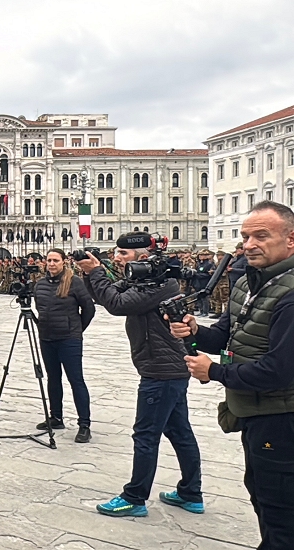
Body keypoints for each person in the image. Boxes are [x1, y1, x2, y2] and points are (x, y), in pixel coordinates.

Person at [168, 202, 294, 549]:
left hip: (282, 417)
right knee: (261, 494)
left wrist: (216, 372)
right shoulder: (247, 283)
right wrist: (193, 331)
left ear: (291, 240)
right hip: (253, 411)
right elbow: (225, 334)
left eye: (261, 236)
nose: (249, 244)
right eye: (246, 237)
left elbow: (279, 371)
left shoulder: (290, 293)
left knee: (281, 508)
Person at [76, 233, 202, 518]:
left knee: (146, 434)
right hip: (166, 367)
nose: (118, 258)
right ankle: (190, 493)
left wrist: (96, 271)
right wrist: (91, 271)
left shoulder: (160, 284)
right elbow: (107, 295)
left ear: (143, 257)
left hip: (161, 369)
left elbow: (118, 305)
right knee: (179, 430)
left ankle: (135, 497)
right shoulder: (143, 279)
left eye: (123, 253)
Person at [33, 249, 96, 443]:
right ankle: (56, 417)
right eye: (49, 260)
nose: (52, 264)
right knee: (53, 378)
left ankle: (84, 424)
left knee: (76, 380)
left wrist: (76, 329)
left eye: (55, 260)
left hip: (69, 339)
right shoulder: (40, 284)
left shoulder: (74, 282)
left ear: (63, 262)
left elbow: (89, 309)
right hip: (47, 338)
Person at [192, 250, 216, 317]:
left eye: (203, 255)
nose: (201, 257)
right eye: (200, 255)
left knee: (204, 298)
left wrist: (197, 275)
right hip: (198, 283)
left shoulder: (209, 264)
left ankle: (205, 312)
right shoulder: (199, 264)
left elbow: (209, 274)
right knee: (199, 297)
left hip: (205, 282)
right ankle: (201, 310)